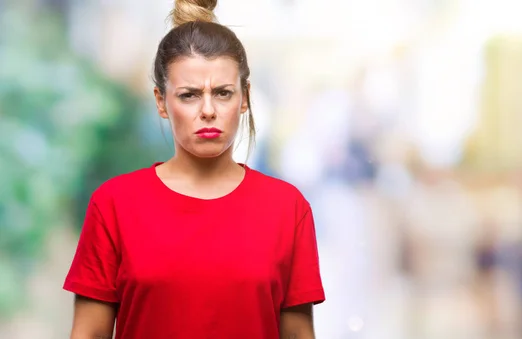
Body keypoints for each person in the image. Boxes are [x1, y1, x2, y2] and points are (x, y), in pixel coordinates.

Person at [63, 1, 325, 338]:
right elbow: (87, 334)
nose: (208, 110)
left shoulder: (288, 209)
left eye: (222, 93)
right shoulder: (114, 205)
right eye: (189, 95)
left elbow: (299, 334)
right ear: (161, 101)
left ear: (244, 98)